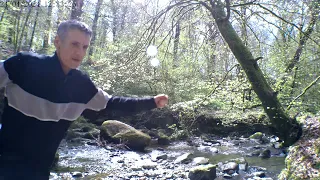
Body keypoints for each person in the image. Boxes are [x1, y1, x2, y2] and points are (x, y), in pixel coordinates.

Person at [0, 20, 168, 180]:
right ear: (57, 41)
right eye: (74, 44)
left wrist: (152, 102)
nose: (79, 52)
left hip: (39, 169)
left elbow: (113, 103)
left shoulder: (82, 86)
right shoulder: (23, 65)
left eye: (84, 47)